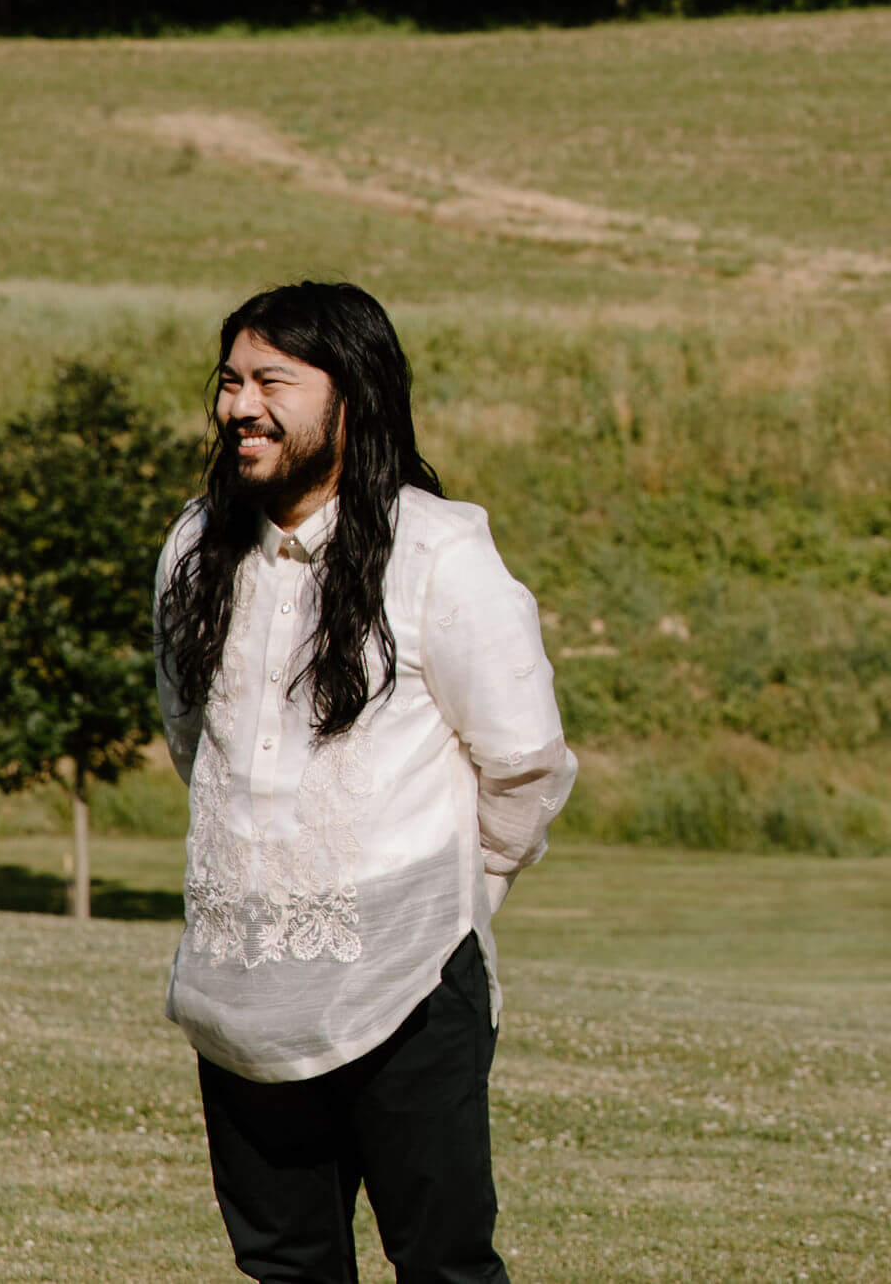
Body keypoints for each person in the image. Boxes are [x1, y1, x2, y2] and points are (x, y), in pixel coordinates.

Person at [153, 280, 576, 1283]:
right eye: (228, 382)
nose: (237, 407)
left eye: (271, 383)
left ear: (353, 396)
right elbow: (191, 737)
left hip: (408, 979)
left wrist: (457, 901)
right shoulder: (193, 547)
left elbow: (522, 761)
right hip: (239, 988)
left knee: (443, 1267)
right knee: (285, 1266)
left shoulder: (439, 554)